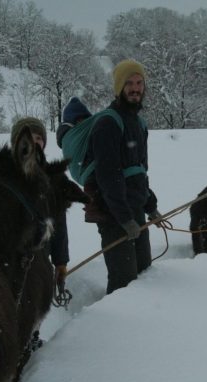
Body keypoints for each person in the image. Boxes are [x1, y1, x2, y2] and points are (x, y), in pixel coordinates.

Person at [82, 59, 161, 294]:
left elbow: (138, 172)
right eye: (129, 83)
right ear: (119, 87)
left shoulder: (139, 123)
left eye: (139, 83)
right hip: (113, 216)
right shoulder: (108, 123)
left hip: (134, 212)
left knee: (144, 275)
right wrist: (125, 219)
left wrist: (150, 205)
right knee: (124, 285)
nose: (135, 88)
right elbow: (109, 177)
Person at [10, 117, 70, 287]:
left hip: (41, 258)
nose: (34, 143)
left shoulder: (54, 177)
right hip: (8, 259)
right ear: (16, 142)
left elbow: (59, 224)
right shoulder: (5, 176)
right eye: (28, 138)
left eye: (38, 138)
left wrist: (61, 261)